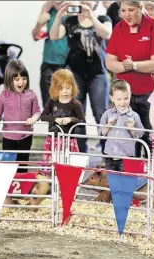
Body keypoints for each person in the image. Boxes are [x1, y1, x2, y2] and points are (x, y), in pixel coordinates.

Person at [105, 0, 154, 158]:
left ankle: (151, 173)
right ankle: (130, 172)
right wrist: (128, 66)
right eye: (123, 10)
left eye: (131, 10)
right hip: (125, 95)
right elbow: (110, 63)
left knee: (149, 136)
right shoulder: (118, 28)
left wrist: (132, 65)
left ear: (140, 8)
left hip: (149, 92)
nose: (126, 14)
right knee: (126, 137)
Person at [49, 1, 113, 153]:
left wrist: (91, 16)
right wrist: (58, 17)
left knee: (101, 113)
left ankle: (108, 154)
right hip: (76, 73)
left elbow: (107, 34)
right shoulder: (70, 21)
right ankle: (80, 154)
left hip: (98, 73)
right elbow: (54, 36)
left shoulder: (104, 19)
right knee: (78, 113)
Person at [0, 60, 41, 173]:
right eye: (17, 79)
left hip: (26, 136)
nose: (21, 82)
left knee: (23, 165)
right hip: (8, 137)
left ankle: (22, 186)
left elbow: (37, 112)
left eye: (24, 78)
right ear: (9, 79)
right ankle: (9, 187)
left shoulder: (32, 95)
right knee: (8, 166)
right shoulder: (3, 95)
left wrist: (33, 119)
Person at [40, 69, 86, 175]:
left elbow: (82, 122)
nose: (65, 91)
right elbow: (43, 116)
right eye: (61, 88)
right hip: (53, 140)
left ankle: (65, 187)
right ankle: (51, 188)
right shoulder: (52, 102)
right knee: (51, 168)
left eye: (68, 88)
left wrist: (71, 119)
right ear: (55, 88)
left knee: (68, 169)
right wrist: (55, 119)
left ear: (73, 87)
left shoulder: (75, 104)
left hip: (69, 141)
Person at [99, 79, 145, 171]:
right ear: (111, 98)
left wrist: (132, 128)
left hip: (126, 157)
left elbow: (140, 134)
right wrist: (109, 125)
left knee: (125, 180)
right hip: (109, 155)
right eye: (119, 99)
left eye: (126, 98)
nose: (123, 102)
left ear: (130, 95)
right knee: (111, 180)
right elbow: (101, 133)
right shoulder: (107, 114)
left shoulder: (134, 116)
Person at [31, 1, 70, 107]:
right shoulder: (49, 11)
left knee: (69, 107)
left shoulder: (73, 10)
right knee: (49, 105)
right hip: (49, 64)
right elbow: (35, 36)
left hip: (69, 65)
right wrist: (39, 24)